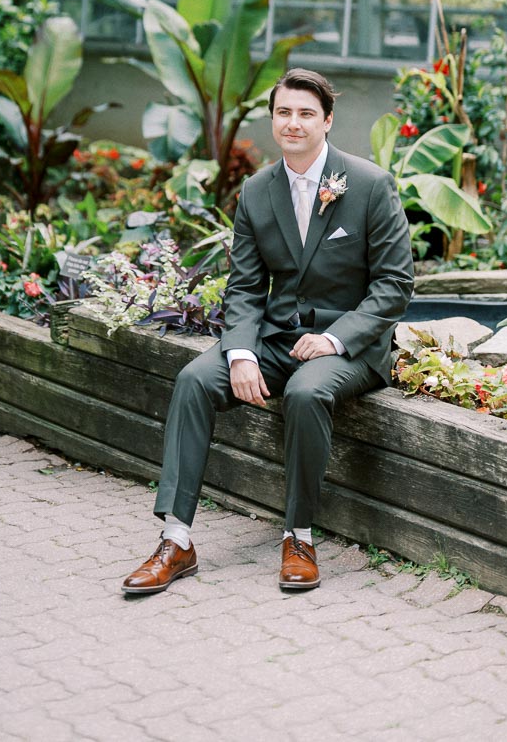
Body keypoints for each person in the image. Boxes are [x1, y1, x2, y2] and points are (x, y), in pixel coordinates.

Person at [122, 67, 414, 595]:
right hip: (276, 340)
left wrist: (334, 339)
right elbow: (246, 288)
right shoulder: (257, 191)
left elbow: (395, 285)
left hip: (352, 345)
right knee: (193, 379)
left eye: (306, 114)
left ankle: (298, 537)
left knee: (305, 392)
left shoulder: (370, 185)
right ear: (273, 119)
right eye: (284, 113)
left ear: (327, 120)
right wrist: (239, 353)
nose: (293, 123)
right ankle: (177, 540)